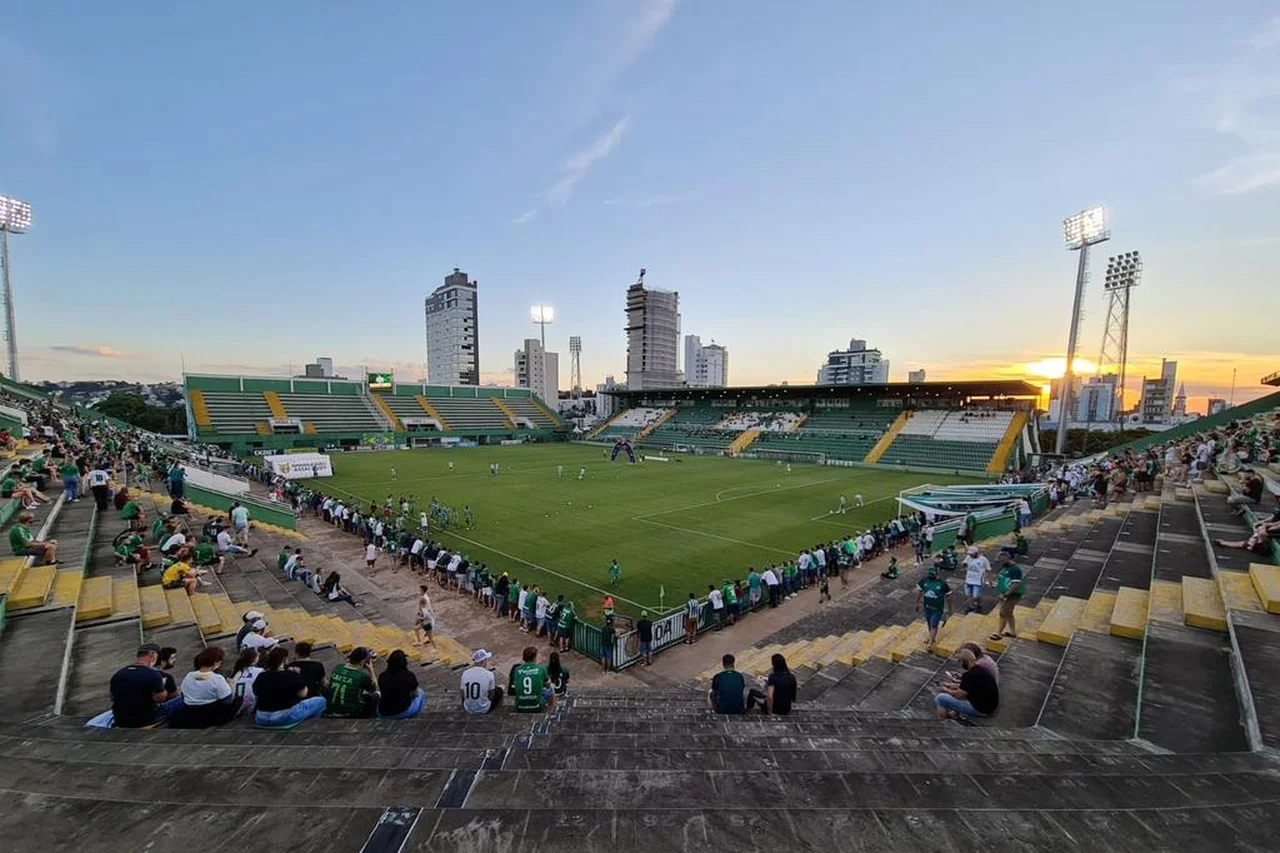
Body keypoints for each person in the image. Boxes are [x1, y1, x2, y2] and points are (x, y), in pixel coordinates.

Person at [109, 642, 183, 728]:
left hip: (120, 720)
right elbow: (160, 698)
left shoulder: (118, 674)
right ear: (152, 654)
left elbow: (113, 697)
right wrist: (162, 685)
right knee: (184, 699)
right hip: (146, 720)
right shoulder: (153, 674)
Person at [253, 646, 327, 728]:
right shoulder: (290, 675)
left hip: (261, 718)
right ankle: (311, 725)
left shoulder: (261, 676)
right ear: (284, 660)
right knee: (321, 701)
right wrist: (297, 675)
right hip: (283, 717)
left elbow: (255, 692)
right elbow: (303, 694)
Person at [170, 647, 241, 728]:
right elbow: (228, 700)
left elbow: (183, 696)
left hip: (190, 711)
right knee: (238, 700)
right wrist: (231, 687)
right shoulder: (217, 678)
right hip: (210, 713)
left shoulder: (189, 676)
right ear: (216, 663)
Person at [935, 648, 999, 721]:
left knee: (940, 698)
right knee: (959, 693)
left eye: (960, 661)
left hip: (980, 710)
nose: (960, 664)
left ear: (967, 661)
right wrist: (950, 685)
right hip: (990, 707)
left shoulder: (969, 675)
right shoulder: (981, 669)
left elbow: (959, 696)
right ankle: (955, 715)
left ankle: (944, 721)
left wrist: (945, 690)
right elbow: (968, 686)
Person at [327, 647, 380, 718]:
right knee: (376, 695)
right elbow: (374, 688)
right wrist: (371, 670)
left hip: (331, 708)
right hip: (349, 713)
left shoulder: (338, 667)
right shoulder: (361, 675)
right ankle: (372, 718)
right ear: (363, 661)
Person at [915, 564, 952, 653]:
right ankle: (932, 638)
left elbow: (949, 596)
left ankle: (930, 643)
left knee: (934, 625)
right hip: (927, 607)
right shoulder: (924, 581)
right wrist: (917, 603)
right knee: (929, 623)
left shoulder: (942, 584)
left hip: (937, 608)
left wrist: (950, 609)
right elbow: (919, 592)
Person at [378, 650, 424, 719]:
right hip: (401, 711)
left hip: (383, 712)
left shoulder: (382, 676)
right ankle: (415, 718)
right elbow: (416, 694)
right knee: (421, 692)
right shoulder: (409, 675)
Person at [990, 551, 1024, 642]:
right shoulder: (1006, 568)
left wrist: (1005, 594)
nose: (1000, 563)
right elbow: (1003, 580)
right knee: (1008, 613)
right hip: (1006, 594)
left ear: (1007, 559)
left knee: (1003, 612)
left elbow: (1016, 584)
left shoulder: (1015, 569)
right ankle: (1012, 631)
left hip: (1012, 595)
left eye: (1002, 561)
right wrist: (994, 584)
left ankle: (998, 633)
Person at [509, 646, 552, 712]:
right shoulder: (541, 668)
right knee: (551, 688)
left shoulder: (516, 669)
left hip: (520, 706)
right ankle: (552, 709)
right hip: (537, 706)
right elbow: (548, 684)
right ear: (534, 657)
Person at [461, 649, 502, 713]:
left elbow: (462, 693)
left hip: (468, 708)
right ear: (482, 662)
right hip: (484, 709)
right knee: (499, 691)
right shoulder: (489, 674)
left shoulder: (465, 673)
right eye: (486, 660)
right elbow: (491, 696)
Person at [230, 647, 265, 714]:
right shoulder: (260, 671)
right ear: (254, 659)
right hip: (252, 706)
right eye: (257, 654)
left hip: (237, 707)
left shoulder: (236, 672)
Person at [961, 546, 991, 614]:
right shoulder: (968, 557)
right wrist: (963, 564)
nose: (970, 555)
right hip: (968, 580)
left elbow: (988, 570)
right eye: (970, 554)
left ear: (977, 553)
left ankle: (975, 606)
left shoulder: (983, 560)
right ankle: (972, 606)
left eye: (972, 554)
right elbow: (964, 564)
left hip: (978, 582)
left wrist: (988, 580)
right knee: (968, 595)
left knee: (975, 596)